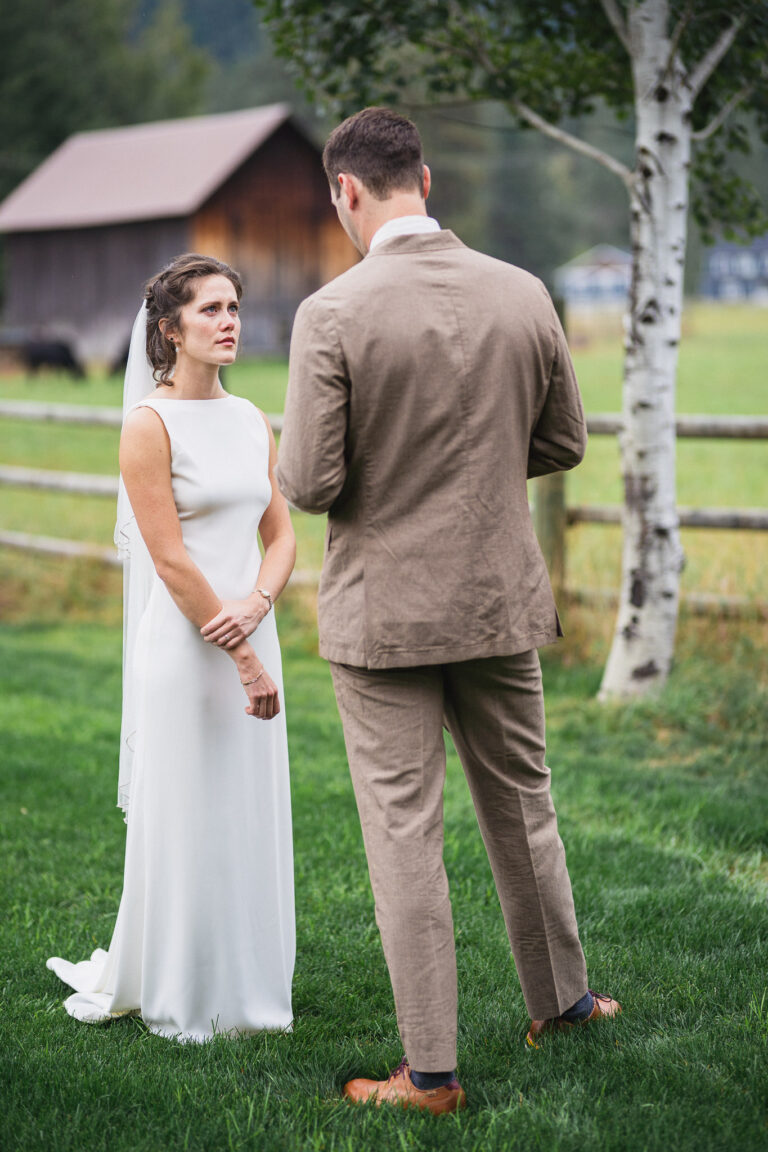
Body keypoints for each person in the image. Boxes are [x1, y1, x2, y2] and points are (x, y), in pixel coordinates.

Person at [276, 108, 620, 1113]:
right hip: (498, 599)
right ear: (424, 180)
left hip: (383, 614)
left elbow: (309, 483)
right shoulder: (523, 290)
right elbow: (564, 441)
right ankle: (564, 1005)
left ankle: (430, 1074)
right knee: (524, 805)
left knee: (404, 833)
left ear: (346, 191)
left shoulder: (331, 314)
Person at [47, 253, 296, 1041]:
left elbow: (283, 534)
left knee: (246, 811)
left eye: (234, 307)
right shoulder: (147, 426)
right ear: (170, 330)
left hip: (251, 628)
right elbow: (171, 559)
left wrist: (258, 606)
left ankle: (251, 984)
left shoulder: (251, 418)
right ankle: (184, 993)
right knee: (190, 817)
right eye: (210, 310)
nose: (229, 322)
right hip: (188, 650)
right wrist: (241, 655)